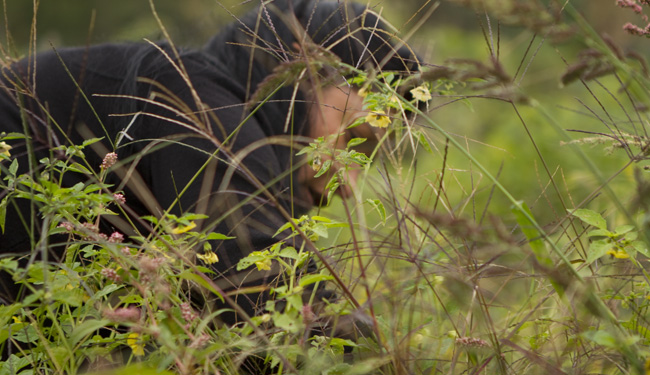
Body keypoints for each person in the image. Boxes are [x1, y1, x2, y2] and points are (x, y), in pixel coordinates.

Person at [0, 0, 420, 325]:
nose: (348, 185)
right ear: (299, 68)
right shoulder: (191, 93)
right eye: (353, 141)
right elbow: (269, 310)